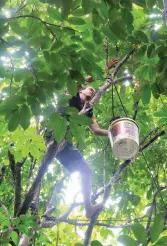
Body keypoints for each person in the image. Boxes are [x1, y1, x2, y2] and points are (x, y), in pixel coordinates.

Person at [54, 58, 118, 219]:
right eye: (90, 89)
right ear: (82, 90)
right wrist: (104, 70)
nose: (93, 91)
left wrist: (114, 132)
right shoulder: (73, 95)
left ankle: (88, 209)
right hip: (52, 134)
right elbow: (77, 81)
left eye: (94, 92)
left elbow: (96, 130)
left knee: (87, 172)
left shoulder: (88, 111)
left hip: (66, 144)